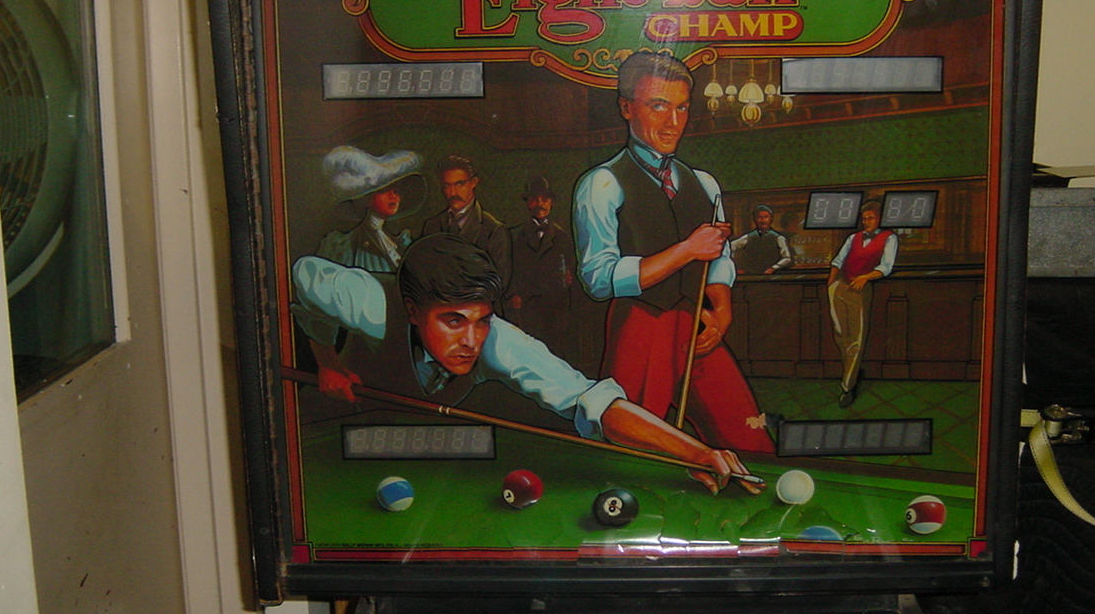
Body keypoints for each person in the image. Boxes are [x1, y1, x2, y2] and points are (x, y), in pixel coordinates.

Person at [292, 233, 759, 494]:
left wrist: (696, 453)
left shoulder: (499, 344)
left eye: (481, 320)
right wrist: (327, 359)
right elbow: (302, 276)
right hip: (340, 432)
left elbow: (593, 402)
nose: (471, 341)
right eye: (453, 321)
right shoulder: (364, 301)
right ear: (412, 311)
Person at [572, 50, 775, 454]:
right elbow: (598, 279)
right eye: (658, 106)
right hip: (640, 329)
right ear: (626, 108)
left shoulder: (705, 183)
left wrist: (722, 309)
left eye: (682, 108)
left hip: (697, 326)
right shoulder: (601, 184)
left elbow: (719, 258)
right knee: (636, 449)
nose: (673, 122)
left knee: (749, 439)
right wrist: (686, 250)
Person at [827, 201, 898, 407]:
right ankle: (853, 372)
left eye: (871, 218)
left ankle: (847, 386)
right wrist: (831, 283)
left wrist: (866, 277)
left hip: (860, 289)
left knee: (856, 338)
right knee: (840, 335)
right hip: (840, 286)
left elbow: (886, 266)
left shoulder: (889, 238)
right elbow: (838, 260)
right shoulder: (853, 238)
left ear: (880, 219)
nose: (866, 222)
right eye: (864, 218)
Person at [316, 145, 426, 273]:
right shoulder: (345, 245)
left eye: (397, 190)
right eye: (384, 190)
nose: (394, 196)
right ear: (367, 196)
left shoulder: (400, 241)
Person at [504, 175, 576, 358]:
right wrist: (513, 294)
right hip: (526, 307)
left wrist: (570, 277)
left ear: (551, 203)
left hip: (555, 307)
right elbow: (506, 269)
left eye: (544, 199)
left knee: (555, 353)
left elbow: (572, 270)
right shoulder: (513, 236)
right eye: (534, 199)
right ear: (528, 203)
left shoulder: (562, 237)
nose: (540, 204)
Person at [420, 154, 512, 292]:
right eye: (446, 186)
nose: (453, 192)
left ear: (473, 182)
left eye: (459, 184)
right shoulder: (431, 226)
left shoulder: (494, 230)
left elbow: (500, 283)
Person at [731, 204, 793, 275]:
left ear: (771, 218)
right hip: (751, 277)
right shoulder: (749, 237)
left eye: (766, 217)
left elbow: (787, 258)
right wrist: (736, 267)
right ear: (755, 219)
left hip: (772, 277)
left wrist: (773, 268)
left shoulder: (779, 238)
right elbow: (729, 248)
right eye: (759, 217)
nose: (763, 220)